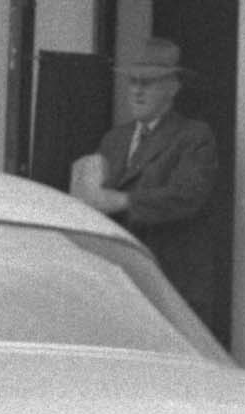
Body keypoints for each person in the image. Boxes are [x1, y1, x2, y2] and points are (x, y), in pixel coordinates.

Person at [80, 45, 230, 323]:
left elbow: (187, 195)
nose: (137, 91)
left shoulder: (193, 136)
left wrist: (124, 201)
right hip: (122, 283)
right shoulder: (114, 140)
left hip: (171, 284)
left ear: (172, 88)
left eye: (147, 83)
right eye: (133, 82)